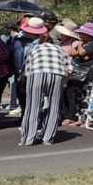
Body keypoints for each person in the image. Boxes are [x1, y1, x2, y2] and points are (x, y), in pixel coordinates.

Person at [19, 17, 73, 146]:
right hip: (56, 74)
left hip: (37, 73)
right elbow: (69, 68)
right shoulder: (60, 50)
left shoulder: (34, 49)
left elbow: (27, 66)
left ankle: (28, 139)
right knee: (53, 106)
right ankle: (48, 138)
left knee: (33, 106)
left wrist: (24, 78)